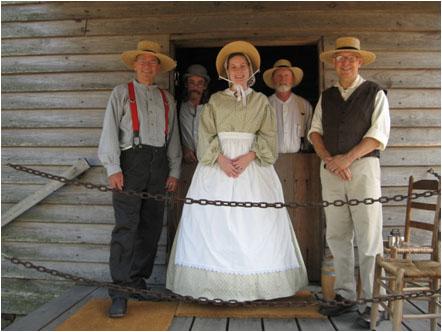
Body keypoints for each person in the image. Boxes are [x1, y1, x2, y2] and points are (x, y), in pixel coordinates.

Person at [166, 40, 308, 301]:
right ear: (226, 72)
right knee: (214, 224)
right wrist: (219, 159)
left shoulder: (261, 103)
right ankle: (212, 286)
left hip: (251, 168)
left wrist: (251, 155)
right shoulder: (216, 102)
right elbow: (204, 136)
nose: (238, 70)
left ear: (250, 69)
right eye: (234, 67)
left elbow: (269, 138)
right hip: (217, 169)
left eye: (243, 66)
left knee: (254, 224)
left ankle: (256, 286)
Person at [308, 37, 390, 328]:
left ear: (360, 62)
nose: (344, 62)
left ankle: (373, 302)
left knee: (368, 238)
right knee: (338, 236)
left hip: (364, 170)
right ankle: (345, 295)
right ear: (334, 63)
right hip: (330, 171)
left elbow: (378, 135)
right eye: (339, 58)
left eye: (350, 58)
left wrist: (347, 159)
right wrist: (330, 159)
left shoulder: (375, 93)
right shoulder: (326, 96)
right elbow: (315, 132)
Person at [98, 40, 182, 318]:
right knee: (126, 227)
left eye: (153, 61)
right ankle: (119, 291)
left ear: (158, 67)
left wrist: (174, 171)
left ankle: (137, 281)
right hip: (129, 163)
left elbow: (173, 139)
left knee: (151, 226)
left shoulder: (166, 98)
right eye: (143, 60)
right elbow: (109, 131)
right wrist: (113, 167)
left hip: (158, 166)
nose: (147, 65)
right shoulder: (121, 93)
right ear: (135, 64)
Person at [263, 59, 313, 153]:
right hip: (270, 161)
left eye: (287, 75)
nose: (283, 79)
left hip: (300, 160)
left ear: (293, 79)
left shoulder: (304, 105)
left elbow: (310, 135)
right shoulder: (265, 105)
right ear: (273, 79)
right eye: (279, 76)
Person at [179, 64, 210, 163]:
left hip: (207, 161)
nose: (195, 87)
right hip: (185, 162)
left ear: (205, 86)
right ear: (186, 84)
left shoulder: (211, 108)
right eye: (191, 83)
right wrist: (184, 148)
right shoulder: (177, 107)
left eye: (200, 83)